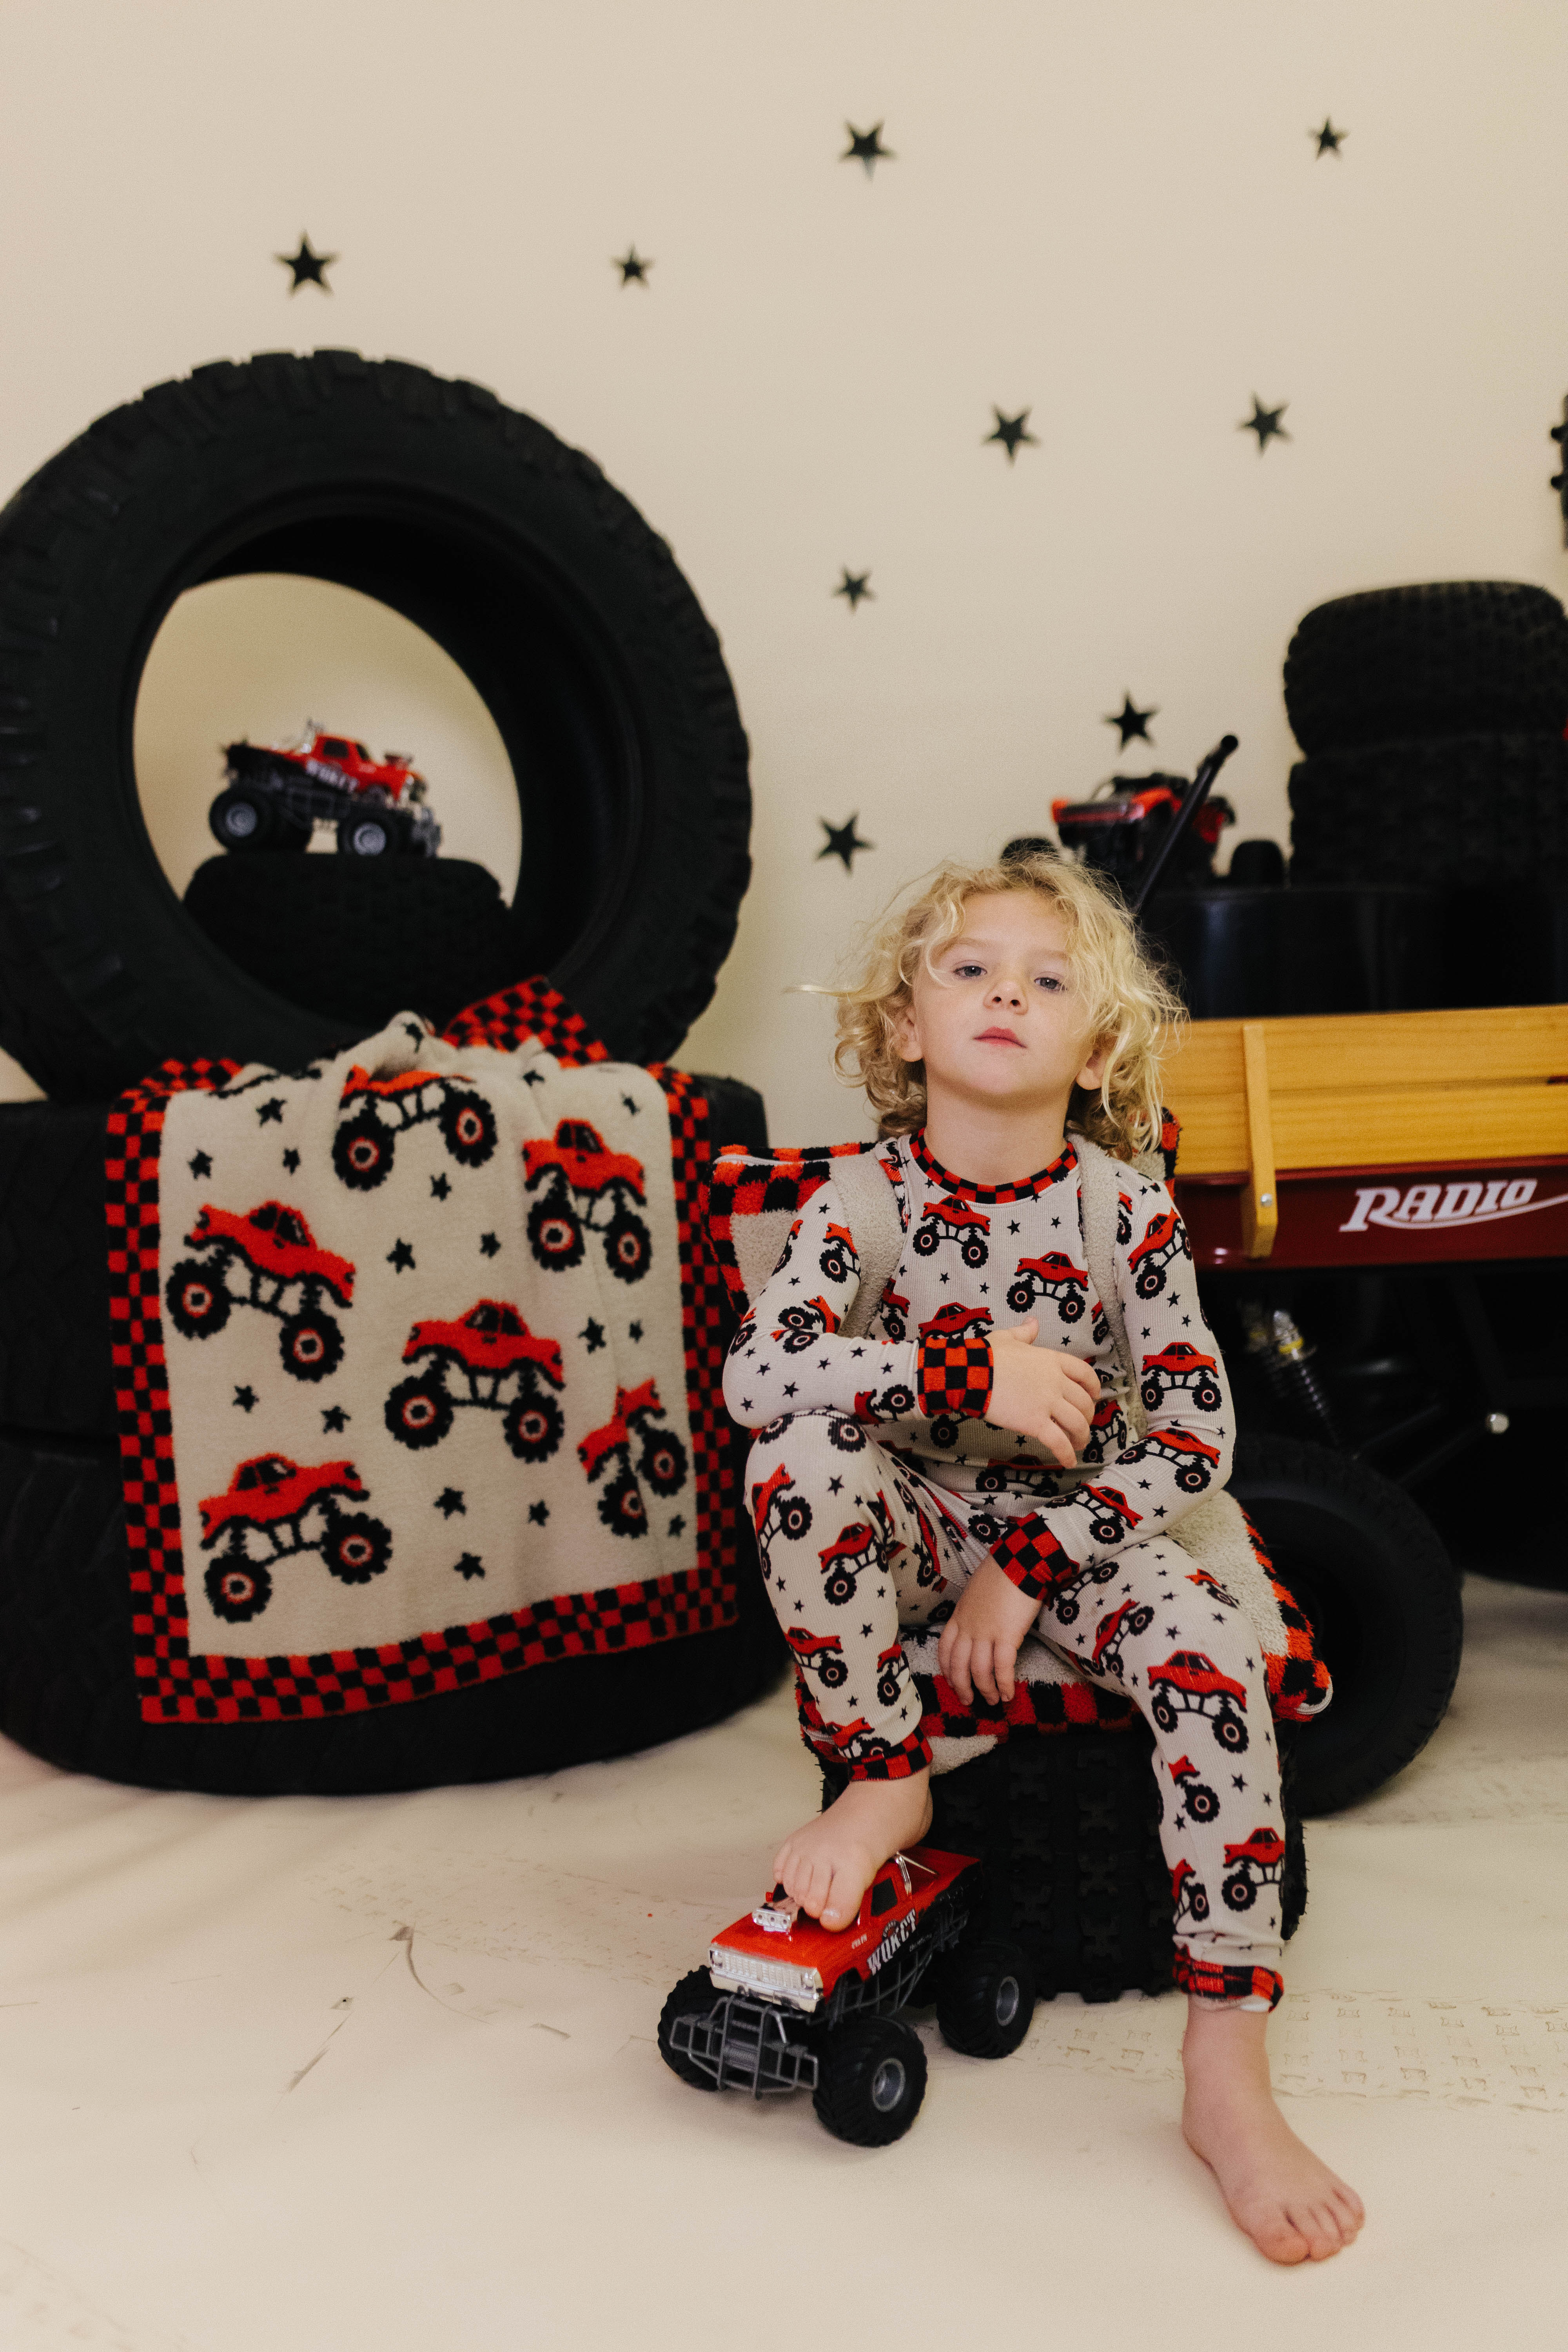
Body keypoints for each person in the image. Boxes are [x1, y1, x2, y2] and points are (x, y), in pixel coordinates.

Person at [722, 849, 1363, 2265]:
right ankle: (886, 1778)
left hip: (1085, 1534)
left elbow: (1196, 1432)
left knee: (1213, 1660)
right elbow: (759, 1376)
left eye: (1049, 980)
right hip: (911, 1519)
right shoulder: (861, 1202)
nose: (1008, 994)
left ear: (1097, 1049)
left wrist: (1032, 1564)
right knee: (799, 1455)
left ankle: (1227, 2063)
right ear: (907, 1025)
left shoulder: (1122, 1210)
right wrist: (968, 1373)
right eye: (971, 970)